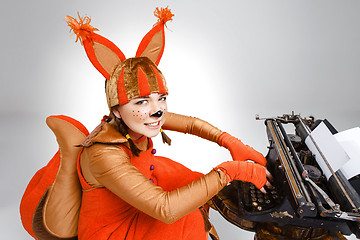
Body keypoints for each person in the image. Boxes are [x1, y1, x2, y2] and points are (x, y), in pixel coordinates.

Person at [20, 7, 271, 240]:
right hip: (112, 232)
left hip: (131, 196)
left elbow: (192, 124)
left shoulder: (135, 122)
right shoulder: (103, 154)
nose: (157, 111)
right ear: (117, 110)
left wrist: (230, 141)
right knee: (188, 219)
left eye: (161, 98)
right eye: (141, 102)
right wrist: (233, 170)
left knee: (188, 177)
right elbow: (166, 209)